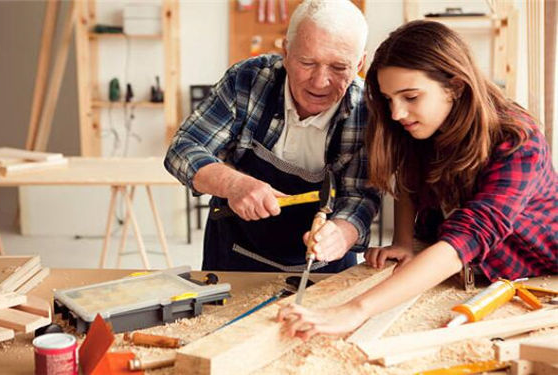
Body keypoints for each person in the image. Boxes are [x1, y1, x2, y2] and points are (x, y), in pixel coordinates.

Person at [277, 20, 558, 339]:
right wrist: (404, 241)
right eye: (389, 98)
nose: (396, 113)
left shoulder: (518, 140)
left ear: (455, 86)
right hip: (465, 270)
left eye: (410, 97)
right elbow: (408, 180)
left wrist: (355, 309)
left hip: (534, 270)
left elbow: (470, 236)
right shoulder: (420, 124)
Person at [164, 0, 380, 273]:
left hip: (322, 266)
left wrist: (342, 233)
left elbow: (360, 195)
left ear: (359, 62)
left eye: (338, 68)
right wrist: (233, 184)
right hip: (235, 254)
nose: (319, 82)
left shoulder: (367, 111)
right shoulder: (249, 80)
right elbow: (183, 149)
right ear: (286, 51)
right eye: (307, 62)